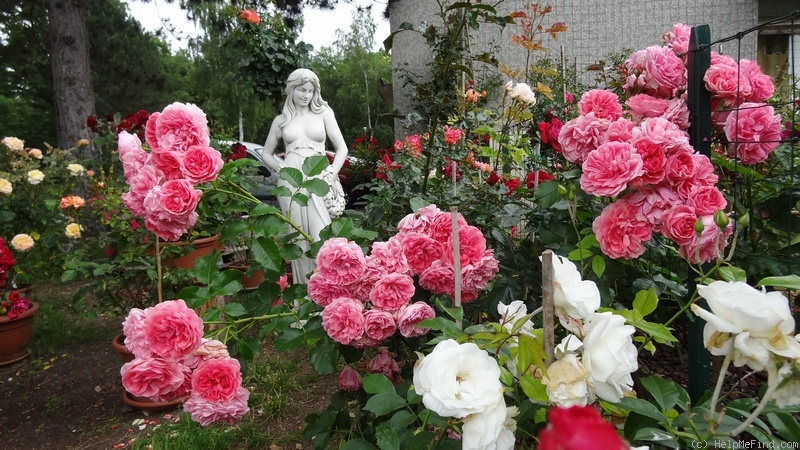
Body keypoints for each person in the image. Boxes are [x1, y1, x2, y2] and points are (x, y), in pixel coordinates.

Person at [259, 68, 349, 284]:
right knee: (298, 239)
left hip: (318, 179)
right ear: (292, 90)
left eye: (310, 90)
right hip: (291, 184)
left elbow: (342, 148)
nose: (306, 95)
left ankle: (326, 295)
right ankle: (303, 299)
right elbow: (266, 153)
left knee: (322, 237)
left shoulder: (324, 114)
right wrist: (282, 170)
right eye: (301, 90)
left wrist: (331, 172)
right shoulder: (281, 120)